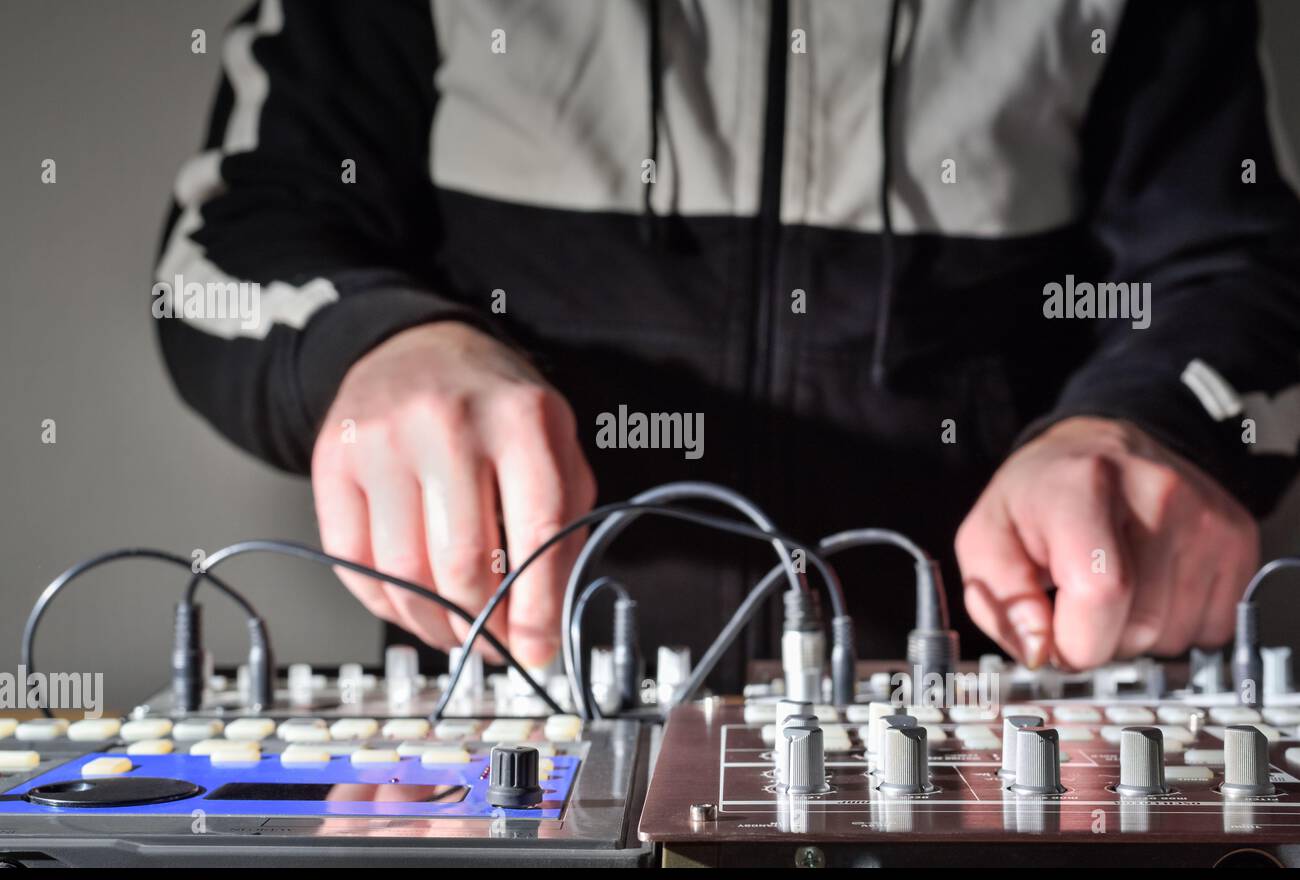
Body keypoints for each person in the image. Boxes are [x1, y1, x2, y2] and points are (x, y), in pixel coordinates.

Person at [154, 0, 1300, 689]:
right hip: (506, 731)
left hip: (989, 740)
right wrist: (376, 346)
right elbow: (229, 243)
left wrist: (1149, 422)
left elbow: (1237, 273)